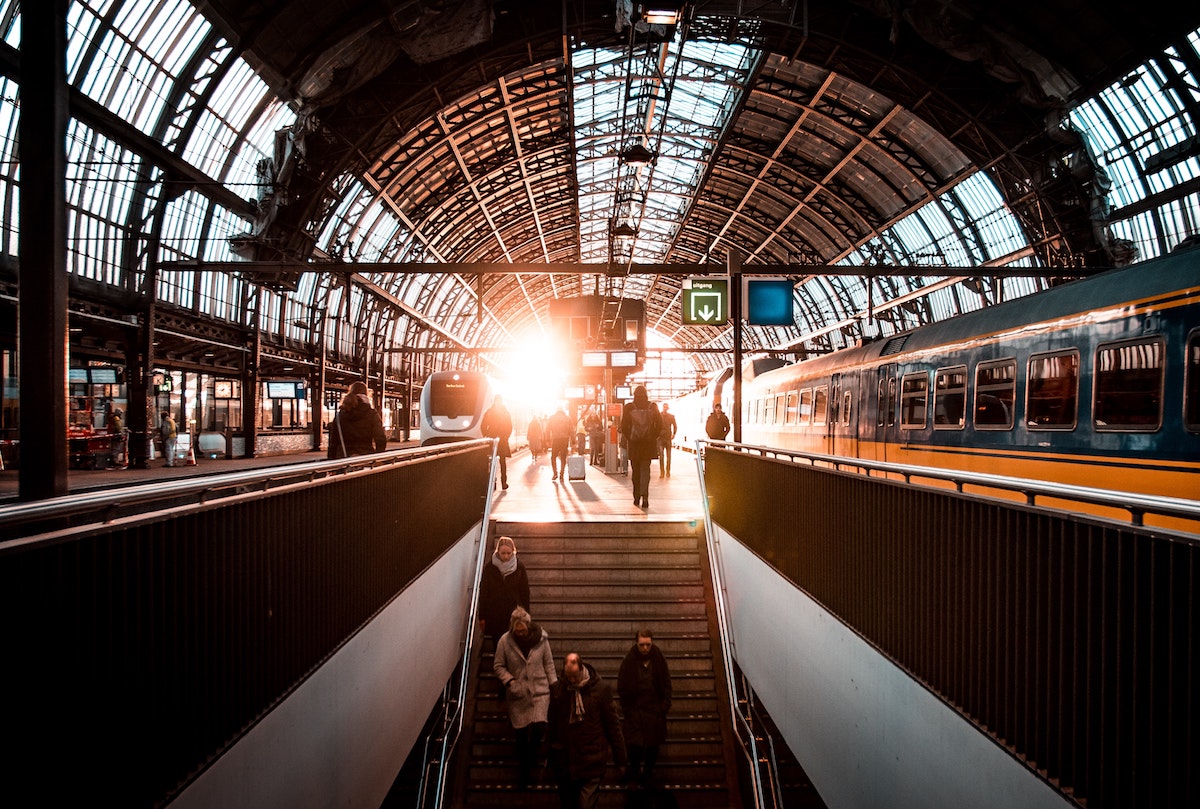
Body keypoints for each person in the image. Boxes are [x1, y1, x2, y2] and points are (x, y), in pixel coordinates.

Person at [547, 652, 627, 809]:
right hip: (566, 761)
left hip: (592, 759)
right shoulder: (559, 690)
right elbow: (552, 725)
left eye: (574, 676)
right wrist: (550, 753)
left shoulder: (600, 689)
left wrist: (621, 760)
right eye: (568, 676)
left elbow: (613, 726)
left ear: (581, 668)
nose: (572, 680)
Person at [493, 606, 557, 789]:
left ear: (528, 626)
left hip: (540, 691)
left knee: (539, 727)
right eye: (517, 630)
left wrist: (553, 684)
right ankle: (525, 769)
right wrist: (510, 681)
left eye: (523, 630)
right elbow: (498, 665)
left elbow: (549, 663)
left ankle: (531, 757)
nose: (520, 633)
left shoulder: (541, 639)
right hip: (518, 692)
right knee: (521, 735)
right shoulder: (505, 641)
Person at [617, 628, 672, 789]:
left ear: (652, 643)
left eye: (648, 645)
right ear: (637, 643)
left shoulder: (658, 658)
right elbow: (622, 686)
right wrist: (627, 709)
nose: (645, 648)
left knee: (652, 746)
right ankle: (635, 772)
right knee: (635, 746)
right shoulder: (629, 660)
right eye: (642, 645)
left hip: (655, 711)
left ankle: (647, 774)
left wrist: (664, 706)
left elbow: (666, 682)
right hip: (636, 711)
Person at [479, 536, 530, 648]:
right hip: (495, 614)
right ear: (498, 552)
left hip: (514, 614)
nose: (506, 556)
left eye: (509, 553)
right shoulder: (490, 568)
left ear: (513, 552)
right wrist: (482, 615)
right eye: (503, 553)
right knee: (498, 645)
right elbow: (484, 592)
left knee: (514, 644)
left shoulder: (519, 567)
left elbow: (525, 592)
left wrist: (526, 613)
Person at [620, 386, 662, 509]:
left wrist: (630, 438)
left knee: (635, 472)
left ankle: (636, 497)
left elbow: (623, 426)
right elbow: (660, 424)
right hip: (648, 445)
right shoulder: (652, 406)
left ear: (634, 394)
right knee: (645, 471)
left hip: (634, 445)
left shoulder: (629, 407)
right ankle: (645, 498)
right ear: (646, 394)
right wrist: (653, 436)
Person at [327, 381, 387, 459]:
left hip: (342, 461)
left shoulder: (339, 416)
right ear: (366, 394)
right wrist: (378, 456)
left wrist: (331, 462)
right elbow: (380, 439)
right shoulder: (372, 414)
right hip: (365, 459)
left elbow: (333, 443)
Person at [481, 393, 514, 490]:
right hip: (498, 440)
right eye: (497, 400)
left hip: (497, 440)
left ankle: (498, 483)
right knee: (498, 462)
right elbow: (510, 426)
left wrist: (487, 435)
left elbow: (483, 426)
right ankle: (499, 483)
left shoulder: (490, 412)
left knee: (496, 462)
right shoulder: (505, 412)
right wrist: (505, 436)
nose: (498, 402)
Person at [547, 405, 572, 481]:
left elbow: (547, 429)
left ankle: (555, 473)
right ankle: (562, 474)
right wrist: (573, 441)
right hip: (565, 440)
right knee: (563, 457)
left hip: (556, 440)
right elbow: (571, 429)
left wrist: (547, 440)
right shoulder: (568, 418)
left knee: (553, 457)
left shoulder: (552, 418)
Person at [657, 403, 676, 478]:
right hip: (660, 438)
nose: (665, 408)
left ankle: (668, 471)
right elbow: (655, 425)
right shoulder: (659, 416)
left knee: (668, 456)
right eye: (664, 407)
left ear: (668, 408)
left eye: (666, 407)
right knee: (661, 456)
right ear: (662, 408)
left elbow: (675, 425)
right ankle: (662, 472)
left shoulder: (671, 417)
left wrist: (674, 434)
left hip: (668, 438)